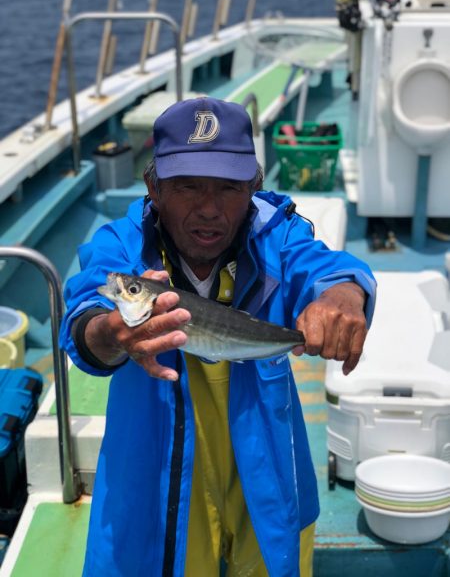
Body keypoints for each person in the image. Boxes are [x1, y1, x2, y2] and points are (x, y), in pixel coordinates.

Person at [60, 96, 376, 577]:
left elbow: (328, 269)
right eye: (187, 187)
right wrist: (112, 332)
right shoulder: (122, 247)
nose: (209, 209)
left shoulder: (277, 236)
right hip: (154, 478)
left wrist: (345, 297)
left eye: (228, 189)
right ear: (154, 187)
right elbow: (86, 314)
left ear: (254, 187)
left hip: (267, 468)